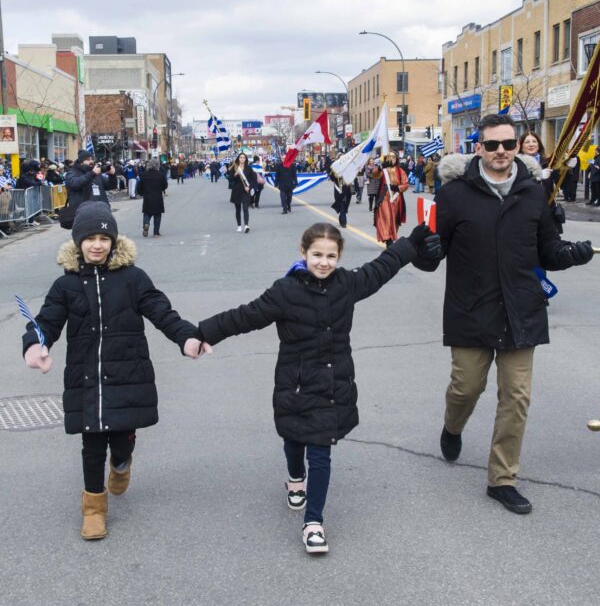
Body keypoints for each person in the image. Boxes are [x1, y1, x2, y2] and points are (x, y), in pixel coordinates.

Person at [186, 221, 440, 553]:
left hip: (333, 386)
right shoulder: (285, 291)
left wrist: (410, 242)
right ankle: (295, 478)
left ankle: (314, 522)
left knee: (320, 452)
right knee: (294, 440)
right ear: (304, 253)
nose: (323, 262)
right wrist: (202, 333)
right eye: (317, 254)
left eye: (331, 256)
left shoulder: (347, 284)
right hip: (295, 385)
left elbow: (382, 268)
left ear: (339, 256)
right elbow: (245, 316)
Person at [415, 113, 594, 514]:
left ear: (517, 147)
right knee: (466, 388)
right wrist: (426, 252)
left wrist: (572, 254)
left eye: (508, 144)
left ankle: (502, 479)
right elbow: (433, 252)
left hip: (521, 310)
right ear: (478, 147)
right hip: (471, 310)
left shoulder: (534, 192)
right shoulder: (454, 194)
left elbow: (548, 250)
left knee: (516, 397)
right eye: (492, 144)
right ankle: (453, 426)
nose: (501, 151)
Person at [22, 202, 198, 540]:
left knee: (121, 438)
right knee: (92, 444)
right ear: (78, 242)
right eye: (90, 238)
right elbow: (46, 322)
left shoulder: (133, 278)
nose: (97, 245)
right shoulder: (65, 285)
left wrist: (187, 337)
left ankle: (121, 463)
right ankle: (93, 508)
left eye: (104, 238)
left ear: (114, 241)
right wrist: (34, 344)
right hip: (86, 375)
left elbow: (162, 312)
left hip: (127, 372)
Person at [373, 151, 408, 246]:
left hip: (396, 198)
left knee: (395, 219)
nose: (391, 159)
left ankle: (392, 236)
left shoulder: (401, 171)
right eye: (389, 157)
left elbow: (405, 184)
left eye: (393, 157)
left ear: (396, 159)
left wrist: (398, 188)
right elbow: (374, 174)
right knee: (386, 217)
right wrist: (380, 167)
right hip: (384, 196)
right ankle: (388, 239)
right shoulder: (383, 170)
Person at [227, 151, 257, 233]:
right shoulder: (235, 168)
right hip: (236, 190)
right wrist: (235, 174)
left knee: (245, 208)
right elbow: (230, 179)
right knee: (238, 209)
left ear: (246, 159)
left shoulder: (249, 168)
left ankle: (246, 225)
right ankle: (239, 226)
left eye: (244, 157)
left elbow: (254, 179)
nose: (242, 159)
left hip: (245, 191)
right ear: (238, 159)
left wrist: (249, 187)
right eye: (241, 157)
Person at [137, 159, 168, 237]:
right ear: (157, 165)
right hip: (158, 197)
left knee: (147, 213)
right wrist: (161, 189)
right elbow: (165, 185)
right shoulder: (160, 174)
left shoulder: (144, 174)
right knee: (157, 215)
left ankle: (146, 223)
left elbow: (139, 186)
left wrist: (141, 193)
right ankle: (156, 233)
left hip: (147, 197)